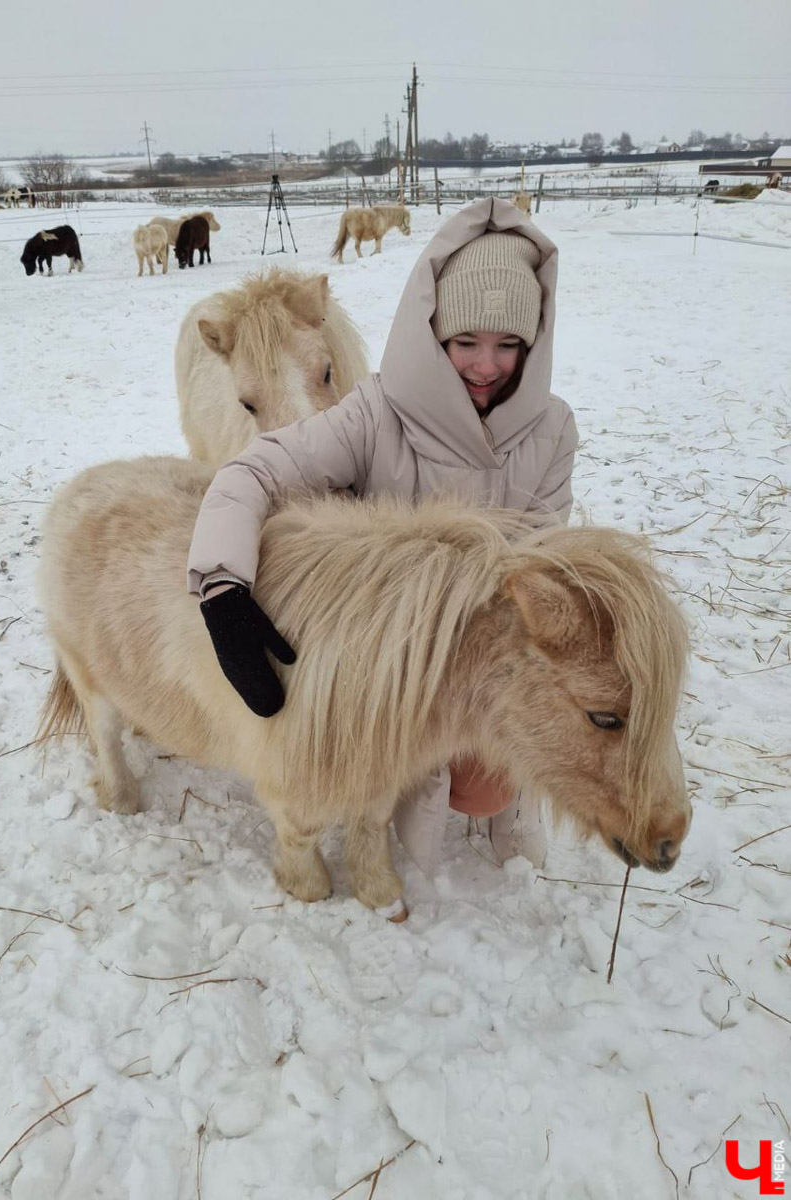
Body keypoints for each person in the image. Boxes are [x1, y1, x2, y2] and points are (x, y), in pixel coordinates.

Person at [187, 197, 578, 877]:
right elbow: (253, 471)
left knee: (488, 780)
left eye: (509, 344)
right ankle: (408, 786)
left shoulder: (552, 430)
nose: (487, 365)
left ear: (534, 342)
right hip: (400, 643)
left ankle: (513, 792)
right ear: (433, 336)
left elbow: (543, 546)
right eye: (466, 343)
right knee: (407, 775)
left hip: (490, 636)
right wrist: (221, 586)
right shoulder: (374, 412)